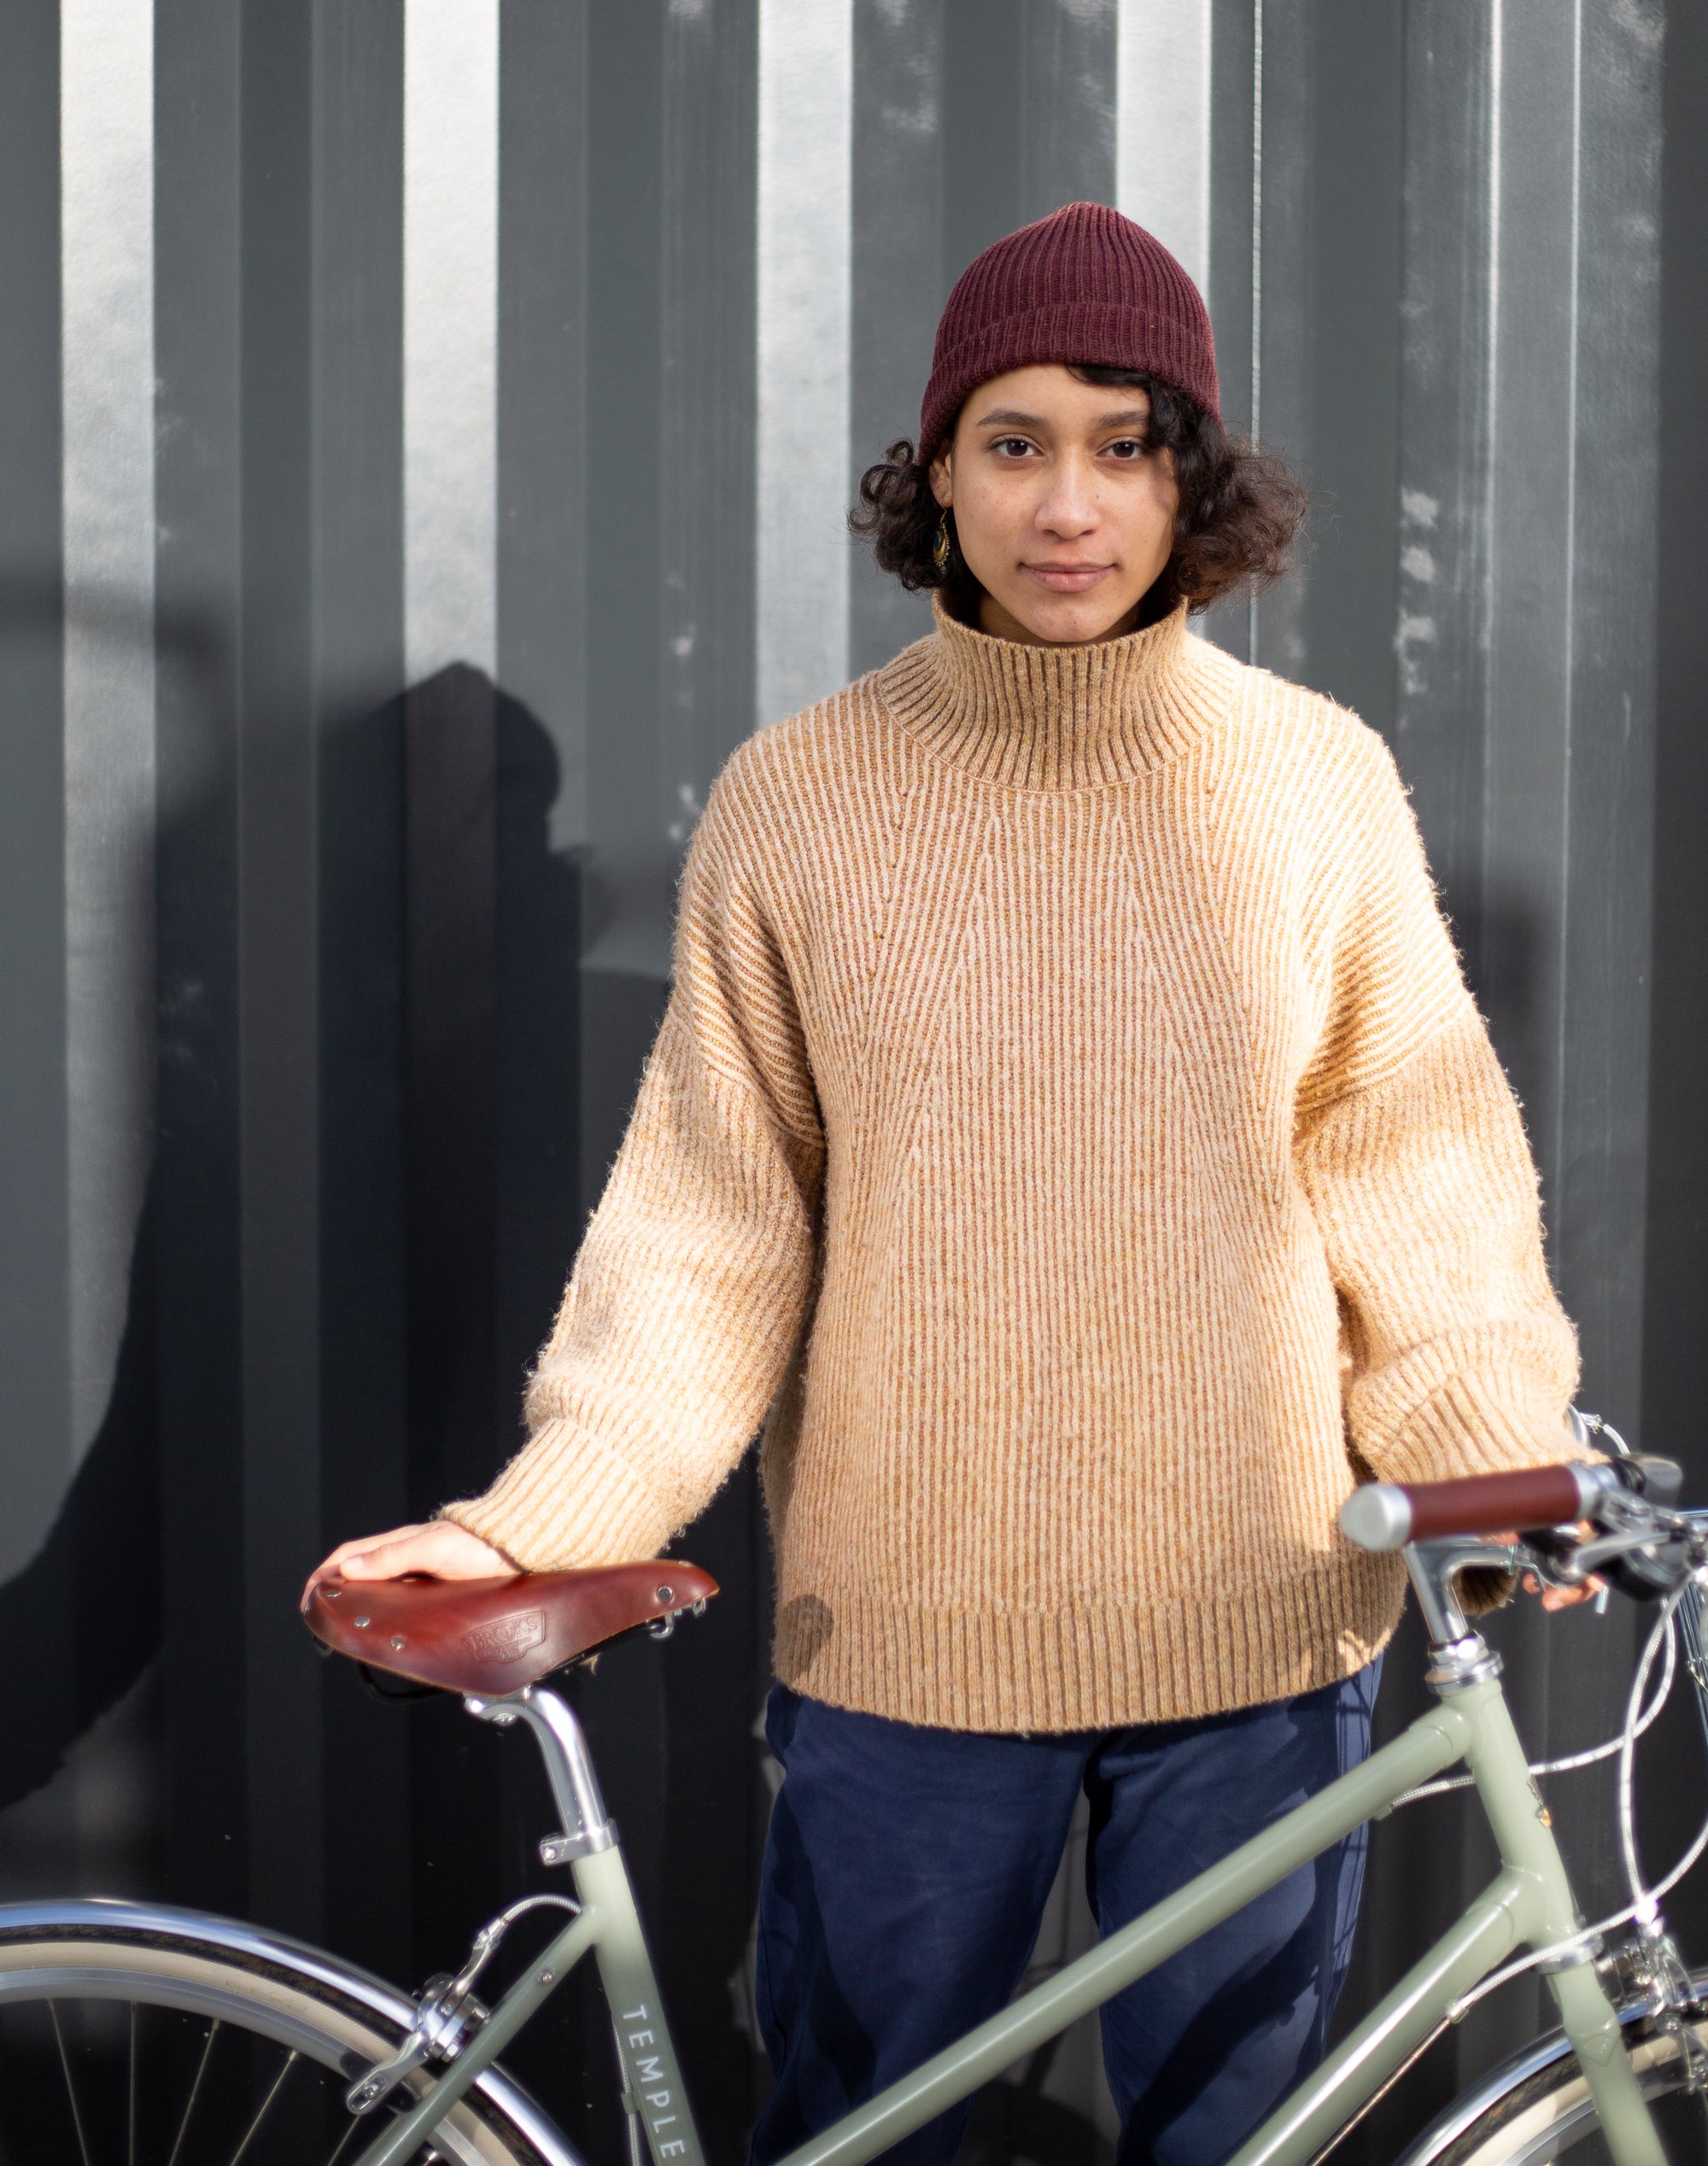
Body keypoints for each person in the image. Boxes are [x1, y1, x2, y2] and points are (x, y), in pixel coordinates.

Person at [313, 202, 1587, 2166]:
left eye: (1124, 443)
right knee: (864, 2138)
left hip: (1258, 1635)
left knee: (1237, 2141)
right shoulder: (800, 800)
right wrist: (531, 1528)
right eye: (1014, 442)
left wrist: (1493, 1458)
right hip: (909, 1644)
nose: (1068, 504)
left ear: (1190, 476)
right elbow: (709, 1231)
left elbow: (1414, 1170)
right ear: (937, 476)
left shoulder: (1311, 783)